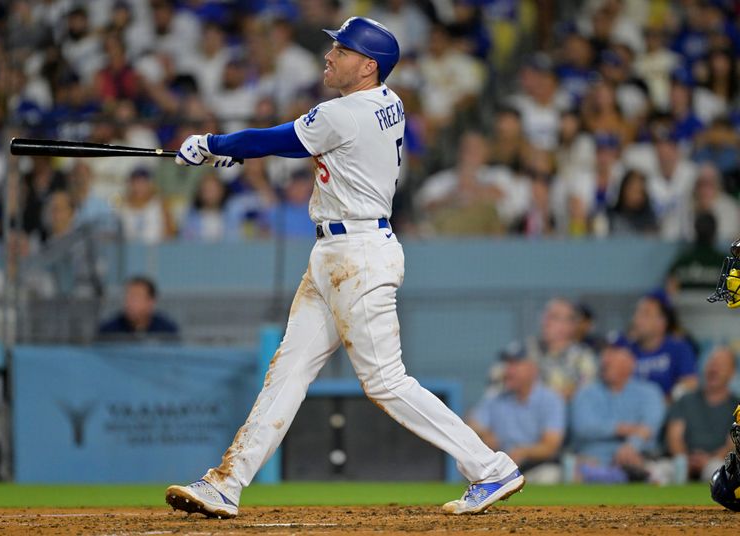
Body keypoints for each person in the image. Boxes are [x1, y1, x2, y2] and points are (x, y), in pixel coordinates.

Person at [165, 17, 524, 519]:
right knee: (286, 373)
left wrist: (211, 145)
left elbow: (280, 139)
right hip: (337, 254)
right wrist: (238, 153)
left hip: (357, 256)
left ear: (368, 66)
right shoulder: (389, 103)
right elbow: (308, 148)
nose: (330, 55)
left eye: (343, 49)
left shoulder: (346, 112)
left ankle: (489, 467)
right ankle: (227, 484)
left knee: (385, 381)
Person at [569, 336, 666, 483]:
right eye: (604, 353)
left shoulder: (649, 392)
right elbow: (583, 427)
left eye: (614, 353)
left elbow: (649, 427)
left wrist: (631, 446)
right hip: (592, 462)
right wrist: (621, 428)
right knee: (576, 469)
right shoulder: (586, 392)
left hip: (637, 459)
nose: (606, 359)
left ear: (631, 361)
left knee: (656, 470)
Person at [468, 342, 565, 484]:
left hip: (536, 466)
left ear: (532, 368)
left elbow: (550, 445)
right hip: (501, 468)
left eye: (516, 364)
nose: (509, 370)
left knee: (549, 475)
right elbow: (471, 423)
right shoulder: (498, 397)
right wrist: (484, 432)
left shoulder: (550, 399)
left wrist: (523, 452)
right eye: (507, 364)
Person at [666, 347, 738, 482]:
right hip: (684, 461)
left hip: (719, 461)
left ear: (732, 373)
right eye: (711, 364)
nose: (713, 369)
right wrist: (685, 459)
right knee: (660, 471)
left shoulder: (737, 406)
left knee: (719, 471)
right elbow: (674, 437)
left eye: (720, 366)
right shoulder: (685, 400)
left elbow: (732, 444)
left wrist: (708, 461)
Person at [626, 293, 698, 400]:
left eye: (645, 314)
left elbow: (691, 383)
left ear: (662, 322)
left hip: (669, 412)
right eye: (637, 313)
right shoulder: (626, 350)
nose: (637, 320)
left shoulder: (678, 348)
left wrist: (664, 402)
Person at [97, 276, 178, 337]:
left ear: (151, 302)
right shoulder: (109, 331)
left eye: (135, 297)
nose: (129, 302)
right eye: (127, 297)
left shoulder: (167, 331)